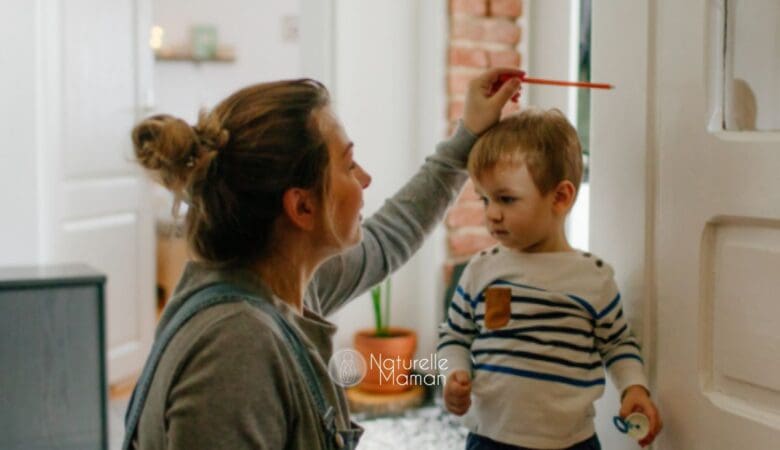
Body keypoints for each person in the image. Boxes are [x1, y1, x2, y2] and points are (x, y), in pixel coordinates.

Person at [123, 69, 523, 450]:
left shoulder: (276, 276)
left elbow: (389, 238)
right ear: (301, 206)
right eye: (349, 165)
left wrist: (468, 135)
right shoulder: (234, 353)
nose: (365, 178)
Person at [437, 108, 662, 450]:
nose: (492, 213)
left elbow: (618, 344)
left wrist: (634, 388)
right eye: (485, 199)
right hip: (490, 439)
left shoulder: (593, 279)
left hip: (572, 444)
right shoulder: (481, 270)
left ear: (560, 197)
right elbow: (454, 335)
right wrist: (453, 373)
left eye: (506, 199)